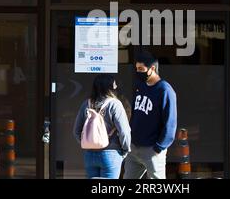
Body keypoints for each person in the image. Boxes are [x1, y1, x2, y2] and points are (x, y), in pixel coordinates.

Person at [123, 51, 177, 179]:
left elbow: (170, 123)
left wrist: (159, 147)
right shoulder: (140, 86)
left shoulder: (164, 90)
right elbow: (135, 114)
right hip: (134, 147)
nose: (138, 72)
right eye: (137, 69)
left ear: (152, 68)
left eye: (141, 69)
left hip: (152, 149)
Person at [74, 74, 131, 179]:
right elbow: (124, 131)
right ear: (109, 87)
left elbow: (76, 131)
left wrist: (87, 144)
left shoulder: (86, 104)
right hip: (111, 153)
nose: (116, 86)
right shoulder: (115, 104)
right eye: (114, 84)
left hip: (89, 154)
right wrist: (125, 150)